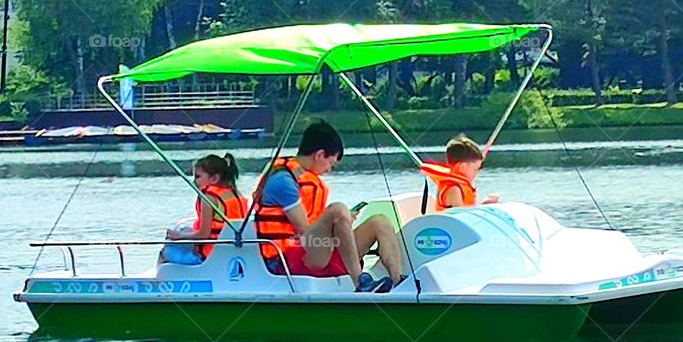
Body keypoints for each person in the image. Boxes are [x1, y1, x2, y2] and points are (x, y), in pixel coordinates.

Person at [253, 120, 404, 292]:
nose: (329, 170)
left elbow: (315, 229)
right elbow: (305, 231)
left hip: (318, 251)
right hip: (288, 259)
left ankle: (398, 282)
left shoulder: (306, 178)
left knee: (380, 221)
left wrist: (343, 223)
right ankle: (360, 282)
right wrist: (338, 220)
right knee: (338, 209)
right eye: (330, 164)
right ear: (319, 155)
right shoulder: (283, 181)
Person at [164, 153, 249, 264]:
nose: (194, 181)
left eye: (198, 176)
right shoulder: (236, 194)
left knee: (167, 251)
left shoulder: (208, 198)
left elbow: (203, 234)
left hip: (211, 258)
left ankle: (164, 278)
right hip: (235, 254)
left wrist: (180, 236)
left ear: (214, 178)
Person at [421, 134, 499, 210]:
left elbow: (468, 211)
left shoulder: (458, 186)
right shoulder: (454, 190)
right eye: (475, 169)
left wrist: (485, 204)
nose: (476, 173)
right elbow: (463, 217)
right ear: (462, 167)